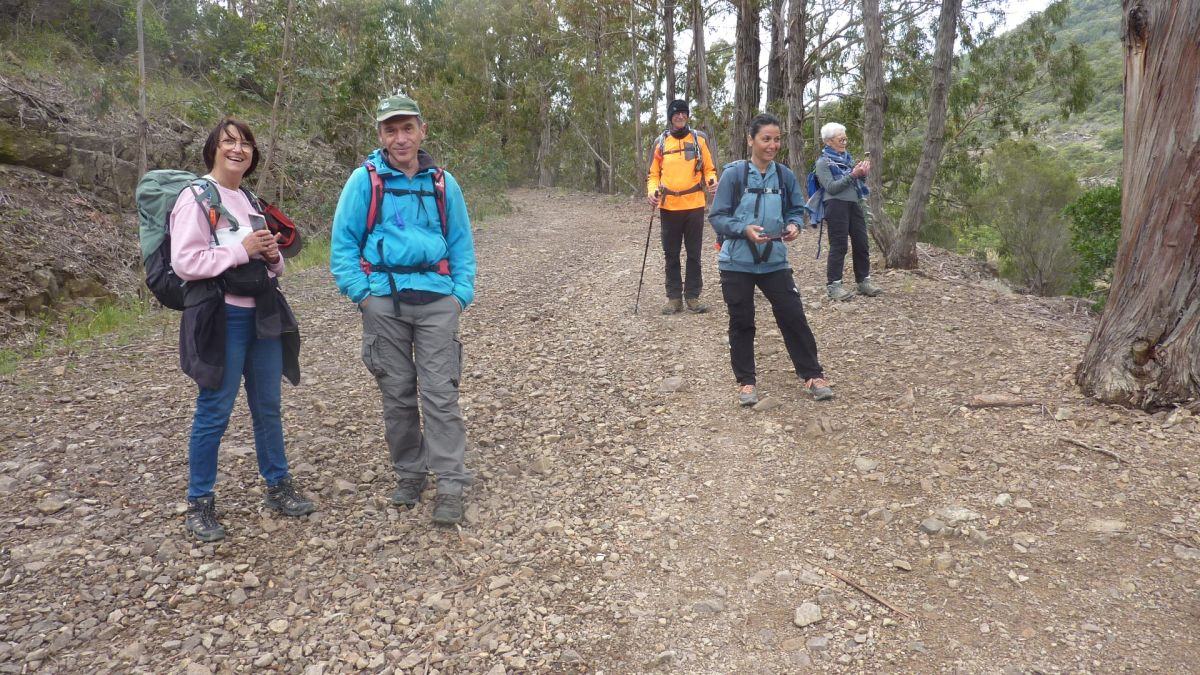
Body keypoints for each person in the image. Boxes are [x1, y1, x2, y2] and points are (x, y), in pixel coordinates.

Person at [330, 93, 477, 526]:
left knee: (441, 395)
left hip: (436, 302)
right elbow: (343, 244)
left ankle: (450, 482)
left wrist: (460, 295)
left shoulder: (443, 184)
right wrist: (363, 295)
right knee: (397, 396)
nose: (400, 138)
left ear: (422, 131)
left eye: (407, 128)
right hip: (384, 304)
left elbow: (462, 244)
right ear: (380, 135)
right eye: (391, 130)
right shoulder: (365, 181)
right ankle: (410, 474)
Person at [171, 117, 313, 543]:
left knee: (268, 405)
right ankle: (199, 503)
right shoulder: (195, 197)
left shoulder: (249, 199)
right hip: (222, 318)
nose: (239, 149)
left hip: (263, 314)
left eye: (246, 143)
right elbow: (185, 262)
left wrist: (270, 255)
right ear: (212, 147)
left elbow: (274, 266)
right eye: (229, 141)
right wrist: (240, 249)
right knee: (215, 409)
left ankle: (278, 486)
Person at [709, 113, 834, 406]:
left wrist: (794, 226)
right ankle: (746, 383)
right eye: (766, 138)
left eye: (777, 139)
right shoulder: (734, 175)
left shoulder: (784, 176)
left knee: (793, 316)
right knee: (742, 321)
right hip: (736, 263)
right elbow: (717, 217)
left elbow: (795, 210)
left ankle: (813, 375)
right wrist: (743, 230)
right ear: (750, 139)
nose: (772, 145)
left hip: (774, 261)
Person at [645, 99, 718, 315]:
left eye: (683, 113)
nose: (680, 116)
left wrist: (712, 181)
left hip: (694, 204)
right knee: (671, 253)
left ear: (687, 115)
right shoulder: (661, 142)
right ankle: (674, 298)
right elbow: (653, 174)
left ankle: (693, 297)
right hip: (668, 206)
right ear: (670, 117)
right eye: (676, 114)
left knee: (694, 253)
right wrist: (652, 191)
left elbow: (709, 168)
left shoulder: (698, 139)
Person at [814, 122, 881, 301]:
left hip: (855, 204)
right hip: (835, 205)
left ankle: (863, 281)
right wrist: (853, 174)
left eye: (845, 137)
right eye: (840, 138)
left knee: (862, 243)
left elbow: (856, 182)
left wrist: (862, 173)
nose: (845, 141)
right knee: (839, 245)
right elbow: (831, 187)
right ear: (828, 141)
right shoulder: (822, 163)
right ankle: (834, 285)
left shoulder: (848, 159)